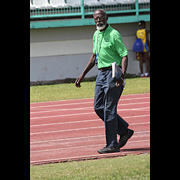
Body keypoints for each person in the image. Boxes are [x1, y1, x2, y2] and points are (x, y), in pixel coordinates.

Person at [75, 9, 134, 154]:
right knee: (98, 107)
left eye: (100, 18)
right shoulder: (96, 34)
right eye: (95, 19)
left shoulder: (114, 34)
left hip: (113, 73)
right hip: (101, 74)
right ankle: (124, 131)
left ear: (106, 18)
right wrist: (82, 75)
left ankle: (112, 144)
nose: (98, 21)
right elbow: (94, 57)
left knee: (109, 109)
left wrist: (123, 75)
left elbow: (124, 55)